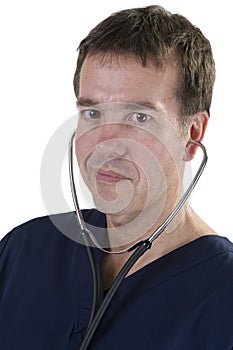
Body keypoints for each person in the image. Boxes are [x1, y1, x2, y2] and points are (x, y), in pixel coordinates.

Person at [0, 5, 233, 350]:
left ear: (192, 133)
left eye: (139, 117)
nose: (106, 145)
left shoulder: (223, 297)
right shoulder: (22, 251)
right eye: (92, 113)